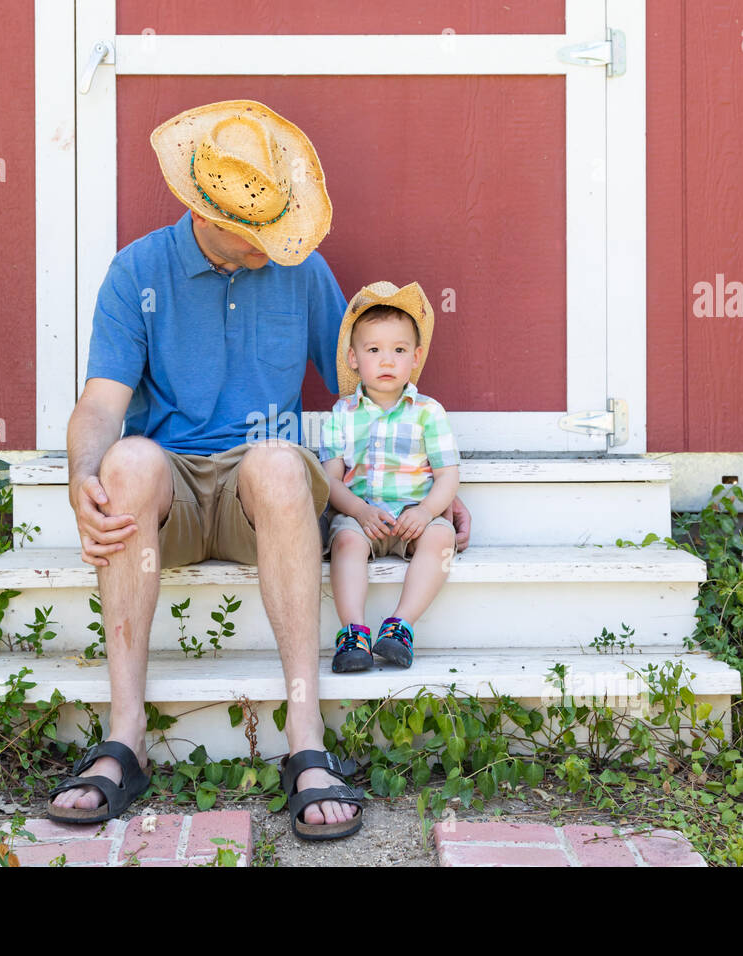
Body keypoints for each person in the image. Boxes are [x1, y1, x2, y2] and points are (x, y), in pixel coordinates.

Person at [48, 100, 472, 841]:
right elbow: (100, 403)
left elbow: (363, 393)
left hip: (260, 500)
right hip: (169, 500)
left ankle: (305, 741)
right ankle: (125, 740)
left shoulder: (300, 270)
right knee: (126, 459)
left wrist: (424, 488)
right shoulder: (138, 271)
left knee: (279, 461)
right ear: (205, 214)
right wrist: (82, 474)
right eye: (257, 237)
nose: (273, 248)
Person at [319, 282, 460, 672]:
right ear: (353, 358)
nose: (386, 361)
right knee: (345, 542)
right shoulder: (342, 414)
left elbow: (448, 477)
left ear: (415, 358)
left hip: (413, 516)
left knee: (442, 537)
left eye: (398, 350)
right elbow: (330, 481)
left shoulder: (428, 412)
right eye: (373, 350)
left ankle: (400, 626)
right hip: (362, 517)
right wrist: (360, 512)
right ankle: (353, 632)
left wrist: (428, 511)